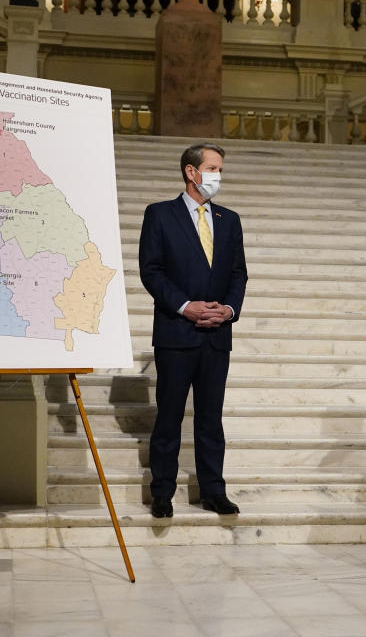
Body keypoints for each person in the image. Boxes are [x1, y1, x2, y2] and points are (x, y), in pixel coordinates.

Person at [138, 142, 248, 518]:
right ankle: (162, 492)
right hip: (175, 333)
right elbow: (151, 271)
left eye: (220, 170)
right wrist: (186, 307)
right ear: (191, 171)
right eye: (213, 168)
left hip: (217, 337)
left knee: (210, 419)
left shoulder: (229, 220)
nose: (218, 176)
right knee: (168, 416)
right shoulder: (160, 215)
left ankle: (213, 491)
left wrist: (229, 310)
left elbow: (238, 274)